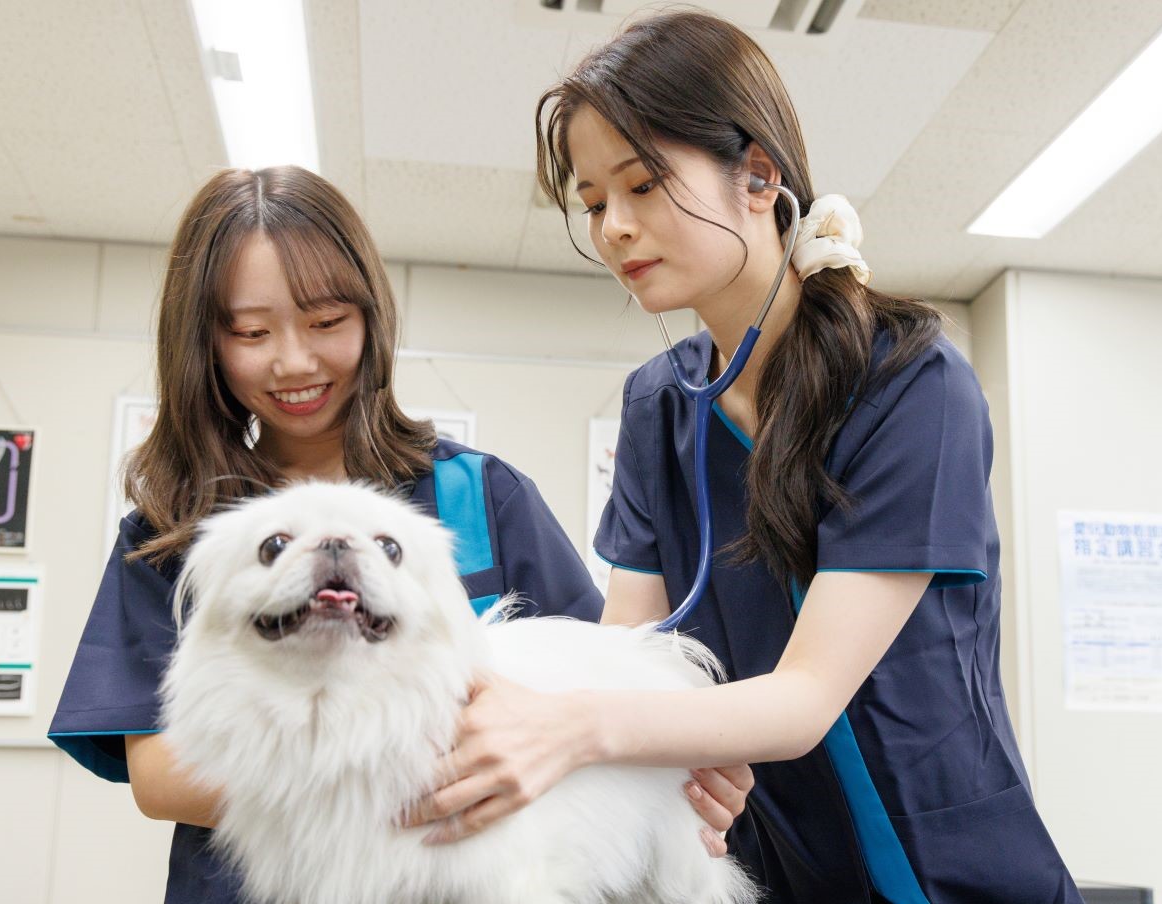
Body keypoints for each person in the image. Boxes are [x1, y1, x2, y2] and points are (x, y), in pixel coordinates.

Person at [409, 12, 1084, 903]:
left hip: (946, 855)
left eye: (643, 184)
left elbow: (804, 701)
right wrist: (658, 739)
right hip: (774, 851)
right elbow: (630, 652)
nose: (613, 227)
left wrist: (575, 728)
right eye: (593, 202)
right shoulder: (660, 405)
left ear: (759, 176)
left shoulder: (913, 384)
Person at [47, 166, 744, 902]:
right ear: (205, 344)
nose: (294, 361)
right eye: (253, 333)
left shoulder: (477, 495)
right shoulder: (174, 530)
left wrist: (675, 765)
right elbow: (158, 774)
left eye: (325, 323)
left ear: (372, 317)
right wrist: (397, 771)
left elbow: (591, 701)